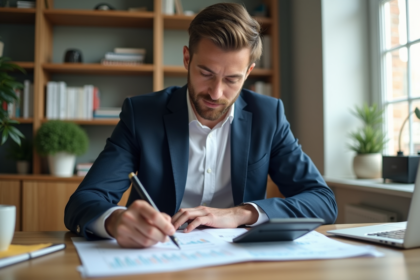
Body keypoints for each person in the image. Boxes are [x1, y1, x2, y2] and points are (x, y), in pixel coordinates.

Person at [65, 3, 337, 248]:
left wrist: (240, 213)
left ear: (249, 73)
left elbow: (322, 200)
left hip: (240, 262)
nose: (216, 93)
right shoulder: (142, 114)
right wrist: (115, 220)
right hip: (159, 258)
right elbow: (83, 201)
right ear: (187, 58)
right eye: (206, 73)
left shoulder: (268, 116)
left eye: (232, 79)